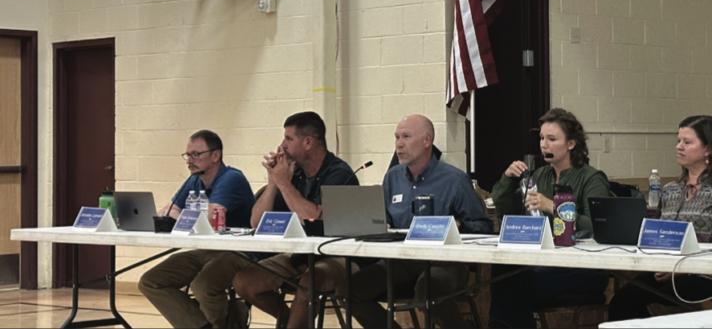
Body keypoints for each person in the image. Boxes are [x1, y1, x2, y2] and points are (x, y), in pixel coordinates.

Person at [348, 114, 492, 328]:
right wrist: (377, 226)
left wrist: (458, 226)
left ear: (427, 141)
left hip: (445, 261)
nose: (399, 144)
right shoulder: (393, 177)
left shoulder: (454, 179)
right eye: (397, 137)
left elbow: (484, 227)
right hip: (400, 259)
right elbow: (383, 219)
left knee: (428, 292)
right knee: (348, 290)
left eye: (406, 137)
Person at [607, 115, 712, 321]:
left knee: (638, 300)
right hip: (667, 271)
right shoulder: (670, 190)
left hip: (709, 276)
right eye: (678, 141)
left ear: (708, 149)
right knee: (622, 300)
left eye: (687, 142)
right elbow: (655, 236)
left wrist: (683, 269)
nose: (679, 147)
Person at [231, 111, 359, 329]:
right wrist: (274, 182)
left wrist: (284, 184)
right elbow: (257, 223)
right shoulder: (294, 174)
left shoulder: (339, 173)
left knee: (309, 282)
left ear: (308, 142)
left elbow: (312, 216)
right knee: (244, 281)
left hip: (337, 254)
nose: (282, 145)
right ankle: (289, 321)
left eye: (289, 139)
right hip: (301, 253)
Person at [488, 108, 612, 329]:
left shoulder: (591, 178)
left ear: (571, 144)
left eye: (552, 139)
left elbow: (599, 227)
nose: (544, 145)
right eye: (541, 138)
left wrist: (553, 207)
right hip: (542, 260)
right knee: (503, 271)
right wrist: (507, 179)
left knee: (516, 282)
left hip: (583, 266)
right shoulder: (539, 175)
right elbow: (509, 212)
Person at [138, 130, 256, 329]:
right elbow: (168, 210)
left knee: (203, 285)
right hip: (207, 248)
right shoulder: (194, 180)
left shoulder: (231, 178)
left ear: (216, 155)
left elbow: (210, 219)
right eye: (187, 155)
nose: (189, 160)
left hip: (239, 251)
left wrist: (181, 217)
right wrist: (183, 218)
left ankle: (230, 320)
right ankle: (214, 323)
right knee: (151, 281)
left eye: (196, 154)